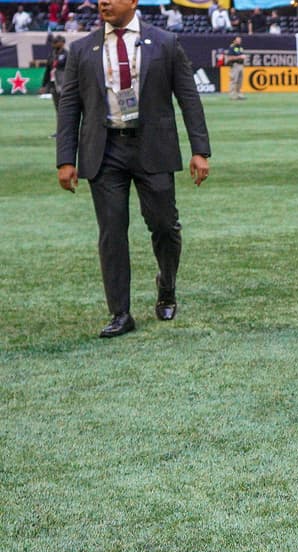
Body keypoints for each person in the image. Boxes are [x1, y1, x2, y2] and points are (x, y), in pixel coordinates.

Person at [55, 0, 210, 338]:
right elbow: (69, 107)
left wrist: (200, 150)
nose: (104, 2)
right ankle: (120, 313)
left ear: (134, 2)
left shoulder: (166, 43)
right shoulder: (83, 49)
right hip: (104, 150)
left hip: (152, 147)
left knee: (164, 226)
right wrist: (66, 159)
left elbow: (188, 98)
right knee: (112, 233)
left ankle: (166, 287)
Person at [226, 35, 246, 100]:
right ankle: (232, 95)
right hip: (235, 65)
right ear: (234, 40)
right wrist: (239, 57)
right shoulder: (232, 47)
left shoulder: (240, 47)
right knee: (234, 80)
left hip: (241, 65)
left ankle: (238, 94)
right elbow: (229, 58)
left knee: (240, 81)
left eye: (240, 40)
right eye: (238, 40)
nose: (239, 41)